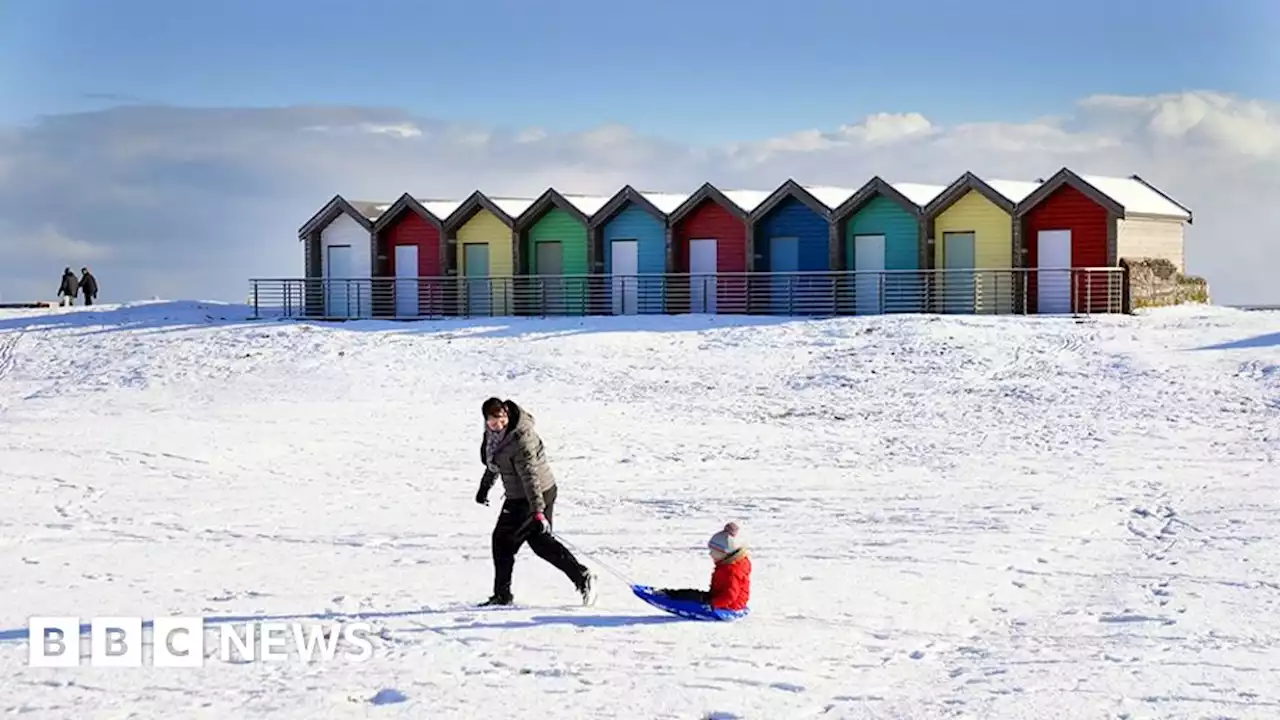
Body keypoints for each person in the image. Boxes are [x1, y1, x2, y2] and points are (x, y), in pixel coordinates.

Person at [475, 397, 597, 607]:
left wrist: (538, 511)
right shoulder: (495, 436)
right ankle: (581, 576)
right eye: (492, 421)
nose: (498, 424)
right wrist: (484, 487)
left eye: (501, 419)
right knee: (541, 543)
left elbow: (530, 476)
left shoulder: (520, 439)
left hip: (531, 495)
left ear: (507, 414)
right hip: (534, 492)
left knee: (502, 541)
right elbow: (497, 462)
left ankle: (502, 595)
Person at [657, 522, 751, 612]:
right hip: (719, 598)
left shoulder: (732, 571)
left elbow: (730, 596)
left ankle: (670, 597)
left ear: (725, 553)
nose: (710, 554)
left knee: (694, 597)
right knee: (692, 594)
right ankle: (668, 594)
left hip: (729, 605)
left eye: (714, 552)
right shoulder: (728, 564)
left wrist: (712, 605)